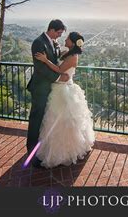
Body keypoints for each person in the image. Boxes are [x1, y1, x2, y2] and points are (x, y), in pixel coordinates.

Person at [33, 31, 95, 168]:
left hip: (64, 90)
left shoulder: (73, 56)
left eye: (67, 38)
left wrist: (45, 60)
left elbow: (59, 69)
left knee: (63, 121)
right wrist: (55, 45)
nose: (65, 40)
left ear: (72, 42)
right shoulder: (68, 52)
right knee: (54, 120)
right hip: (58, 88)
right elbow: (59, 56)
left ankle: (65, 152)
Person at [26, 19, 69, 167]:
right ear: (51, 29)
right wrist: (58, 77)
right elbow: (40, 68)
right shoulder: (39, 42)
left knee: (44, 121)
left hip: (49, 87)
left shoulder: (52, 41)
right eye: (58, 33)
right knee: (36, 120)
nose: (59, 36)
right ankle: (31, 154)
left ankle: (41, 151)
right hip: (40, 88)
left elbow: (53, 60)